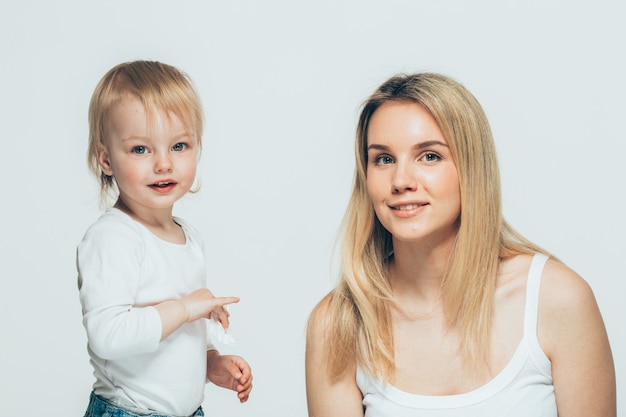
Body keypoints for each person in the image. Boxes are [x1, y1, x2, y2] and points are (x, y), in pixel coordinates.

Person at [305, 72, 615, 417]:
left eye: (429, 156)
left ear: (471, 167)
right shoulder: (338, 324)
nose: (401, 181)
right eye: (384, 159)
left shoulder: (556, 300)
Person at [77, 60, 252, 417]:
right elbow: (108, 336)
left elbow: (173, 340)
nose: (163, 164)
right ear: (106, 159)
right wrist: (187, 308)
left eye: (179, 146)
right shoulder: (114, 237)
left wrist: (209, 363)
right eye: (141, 149)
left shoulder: (189, 238)